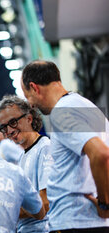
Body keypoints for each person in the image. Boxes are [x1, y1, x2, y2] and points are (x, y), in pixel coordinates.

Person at [21, 60, 109, 232]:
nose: (31, 105)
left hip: (75, 221)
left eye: (28, 96)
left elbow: (101, 154)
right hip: (88, 222)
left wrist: (105, 204)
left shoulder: (63, 111)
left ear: (35, 87)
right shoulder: (86, 106)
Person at [0, 95, 54, 233]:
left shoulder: (45, 148)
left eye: (13, 122)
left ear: (29, 118)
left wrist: (6, 210)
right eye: (4, 127)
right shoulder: (23, 156)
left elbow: (45, 203)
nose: (9, 130)